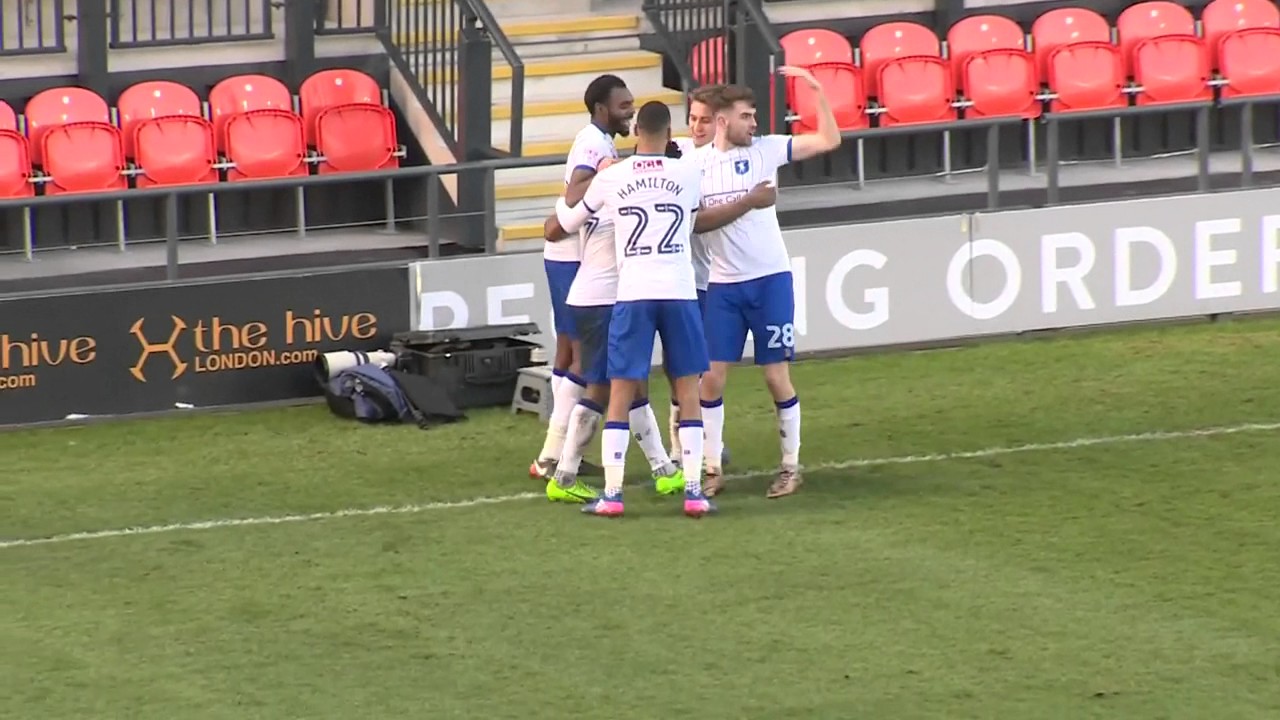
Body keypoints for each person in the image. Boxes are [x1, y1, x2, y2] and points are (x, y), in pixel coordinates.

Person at [549, 101, 725, 518]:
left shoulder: (613, 177)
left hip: (632, 291)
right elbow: (696, 218)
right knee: (687, 390)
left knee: (621, 390)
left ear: (635, 133)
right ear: (668, 134)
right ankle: (695, 491)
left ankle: (612, 495)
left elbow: (568, 221)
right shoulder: (688, 172)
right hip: (679, 290)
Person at [693, 69, 842, 499]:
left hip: (770, 282)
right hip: (723, 286)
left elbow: (828, 139)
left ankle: (790, 467)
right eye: (746, 116)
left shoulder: (767, 151)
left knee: (776, 376)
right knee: (711, 379)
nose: (754, 123)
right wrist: (748, 202)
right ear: (723, 121)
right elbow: (696, 224)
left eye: (754, 115)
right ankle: (712, 467)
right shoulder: (696, 166)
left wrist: (816, 92)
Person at [529, 74, 634, 482]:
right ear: (602, 109)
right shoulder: (592, 143)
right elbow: (575, 197)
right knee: (580, 356)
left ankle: (553, 453)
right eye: (624, 105)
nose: (630, 111)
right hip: (572, 258)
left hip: (567, 255)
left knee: (569, 351)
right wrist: (621, 168)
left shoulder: (600, 142)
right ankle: (553, 454)